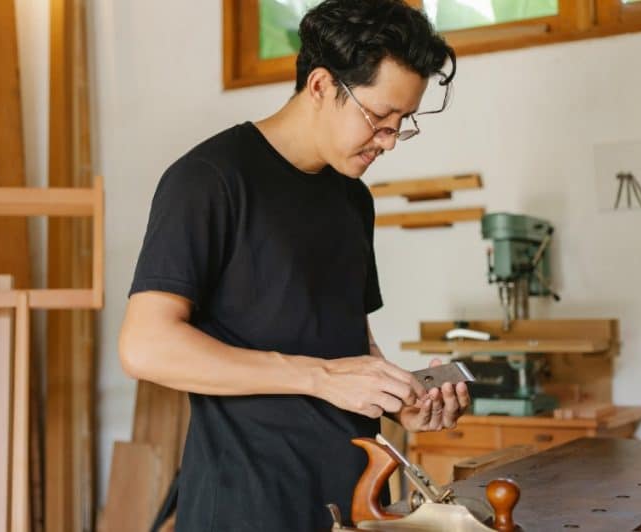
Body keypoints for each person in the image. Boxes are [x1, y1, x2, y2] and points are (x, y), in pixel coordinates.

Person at [118, 1, 467, 529]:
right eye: (379, 119)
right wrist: (320, 377)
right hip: (248, 506)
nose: (390, 141)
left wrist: (401, 402)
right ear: (322, 85)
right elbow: (145, 346)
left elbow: (350, 341)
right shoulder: (210, 179)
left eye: (403, 124)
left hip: (354, 500)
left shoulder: (352, 198)